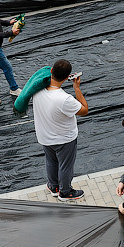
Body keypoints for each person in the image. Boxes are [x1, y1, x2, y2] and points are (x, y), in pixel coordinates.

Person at [30, 59, 88, 200]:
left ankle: (53, 186)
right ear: (68, 77)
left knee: (51, 161)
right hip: (64, 139)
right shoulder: (64, 99)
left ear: (51, 71)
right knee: (65, 166)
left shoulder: (37, 90)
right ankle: (65, 192)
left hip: (44, 137)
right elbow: (84, 110)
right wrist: (77, 88)